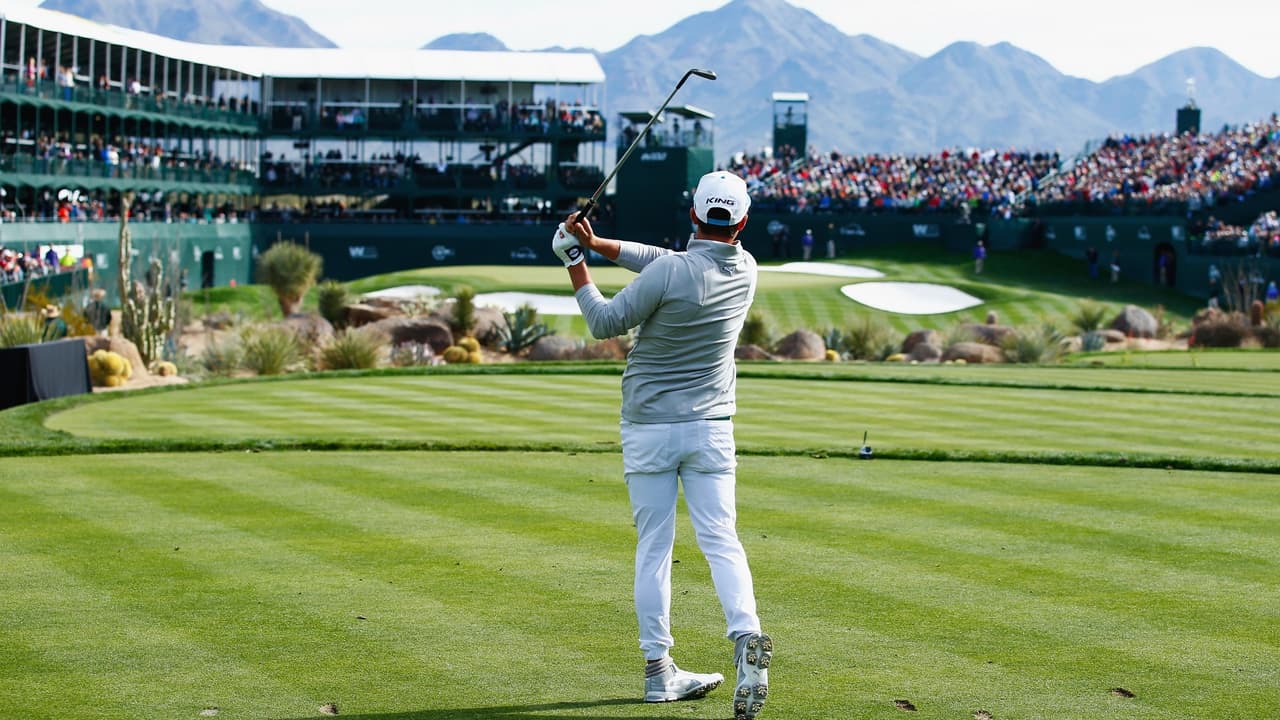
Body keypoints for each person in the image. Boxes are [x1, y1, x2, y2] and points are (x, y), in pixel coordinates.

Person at [553, 171, 772, 719]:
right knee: (721, 539)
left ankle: (659, 672)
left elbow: (604, 321)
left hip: (649, 428)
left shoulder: (671, 271)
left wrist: (575, 261)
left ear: (693, 214)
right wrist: (599, 243)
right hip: (711, 428)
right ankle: (746, 635)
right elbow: (671, 262)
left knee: (654, 548)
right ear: (742, 222)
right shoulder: (746, 268)